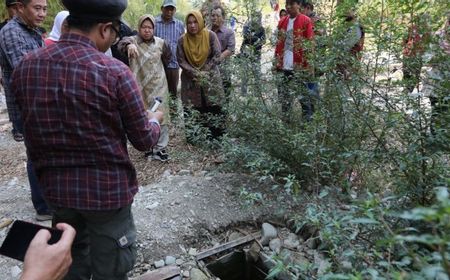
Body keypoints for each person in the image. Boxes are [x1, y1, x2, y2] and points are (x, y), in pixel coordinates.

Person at [11, 0, 163, 278]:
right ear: (105, 29)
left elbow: (26, 126)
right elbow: (144, 140)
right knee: (111, 267)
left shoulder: (25, 67)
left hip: (57, 193)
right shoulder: (115, 73)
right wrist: (155, 120)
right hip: (107, 196)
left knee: (69, 260)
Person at [0, 0, 52, 221]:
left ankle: (49, 198)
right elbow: (24, 68)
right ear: (20, 8)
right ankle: (43, 207)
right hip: (26, 106)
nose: (42, 13)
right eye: (37, 8)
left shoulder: (32, 31)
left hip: (41, 102)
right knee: (37, 155)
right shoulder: (11, 31)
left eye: (44, 8)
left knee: (46, 151)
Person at [119, 14, 172, 162]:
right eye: (144, 27)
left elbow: (168, 58)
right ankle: (149, 148)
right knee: (143, 115)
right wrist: (129, 44)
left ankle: (160, 148)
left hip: (159, 84)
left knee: (162, 114)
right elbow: (121, 43)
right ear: (139, 28)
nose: (147, 30)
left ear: (154, 29)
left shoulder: (161, 43)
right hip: (139, 85)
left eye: (150, 27)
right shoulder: (132, 41)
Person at [177, 11, 224, 141]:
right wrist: (195, 72)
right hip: (190, 79)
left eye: (195, 22)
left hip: (210, 77)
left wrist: (205, 70)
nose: (192, 25)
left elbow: (217, 55)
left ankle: (216, 137)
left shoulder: (210, 36)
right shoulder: (182, 40)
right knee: (192, 106)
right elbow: (181, 60)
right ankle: (195, 138)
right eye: (189, 23)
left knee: (213, 104)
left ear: (200, 22)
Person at [274, 0, 314, 122]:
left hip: (299, 67)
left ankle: (307, 125)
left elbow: (310, 44)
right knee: (284, 98)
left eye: (292, 4)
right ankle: (286, 124)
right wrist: (276, 61)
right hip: (283, 66)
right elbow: (278, 44)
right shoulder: (282, 21)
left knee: (304, 98)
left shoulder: (306, 20)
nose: (289, 6)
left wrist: (310, 66)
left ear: (299, 5)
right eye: (287, 4)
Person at [154, 0, 185, 103]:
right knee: (158, 92)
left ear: (175, 10)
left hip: (174, 65)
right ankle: (159, 115)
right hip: (157, 64)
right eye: (167, 9)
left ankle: (173, 116)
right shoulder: (154, 23)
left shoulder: (179, 24)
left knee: (173, 93)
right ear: (162, 9)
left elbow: (182, 44)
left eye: (172, 9)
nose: (169, 12)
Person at [210, 5, 235, 97]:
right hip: (208, 73)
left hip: (224, 71)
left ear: (223, 18)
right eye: (213, 15)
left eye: (217, 15)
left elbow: (231, 49)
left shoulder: (229, 32)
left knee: (225, 99)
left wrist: (219, 57)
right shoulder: (206, 32)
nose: (214, 18)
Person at [240, 10, 266, 95]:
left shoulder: (261, 28)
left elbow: (264, 41)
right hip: (246, 52)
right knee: (245, 73)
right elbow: (246, 36)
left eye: (258, 16)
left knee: (257, 73)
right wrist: (257, 39)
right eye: (255, 16)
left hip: (256, 53)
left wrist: (256, 40)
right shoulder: (247, 25)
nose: (257, 18)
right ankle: (243, 94)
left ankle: (257, 93)